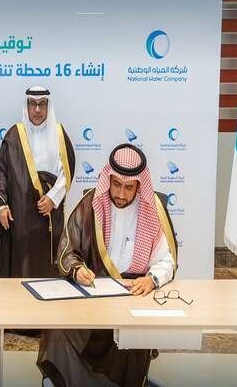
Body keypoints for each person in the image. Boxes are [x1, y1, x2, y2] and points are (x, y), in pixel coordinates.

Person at [37, 143, 178, 387]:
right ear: (108, 179)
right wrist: (78, 270)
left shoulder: (153, 209)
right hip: (94, 292)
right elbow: (68, 249)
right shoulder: (90, 204)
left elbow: (167, 259)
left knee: (132, 335)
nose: (121, 194)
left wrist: (152, 279)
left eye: (129, 187)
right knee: (59, 326)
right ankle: (60, 380)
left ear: (139, 185)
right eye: (116, 184)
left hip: (133, 295)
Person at [0, 86, 75, 278]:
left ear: (48, 106)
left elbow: (67, 170)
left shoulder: (58, 133)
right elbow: (1, 171)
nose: (37, 110)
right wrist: (2, 205)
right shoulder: (15, 135)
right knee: (21, 260)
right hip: (20, 212)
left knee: (44, 260)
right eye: (33, 104)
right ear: (27, 106)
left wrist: (53, 198)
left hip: (47, 211)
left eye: (42, 104)